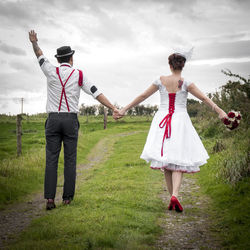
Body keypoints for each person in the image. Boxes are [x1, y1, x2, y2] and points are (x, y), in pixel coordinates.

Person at [114, 48, 228, 212]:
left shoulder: (160, 80)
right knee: (178, 158)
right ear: (183, 66)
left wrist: (124, 109)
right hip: (180, 121)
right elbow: (203, 98)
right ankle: (174, 195)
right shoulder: (187, 83)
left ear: (170, 65)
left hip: (162, 119)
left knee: (166, 160)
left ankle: (172, 197)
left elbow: (143, 96)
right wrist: (220, 111)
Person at [29, 30, 119, 210]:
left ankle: (49, 200)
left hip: (53, 119)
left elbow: (39, 54)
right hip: (70, 120)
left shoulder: (50, 70)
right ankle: (67, 198)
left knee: (51, 159)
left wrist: (34, 42)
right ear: (71, 59)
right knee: (70, 159)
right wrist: (113, 108)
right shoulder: (79, 74)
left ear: (58, 60)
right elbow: (96, 92)